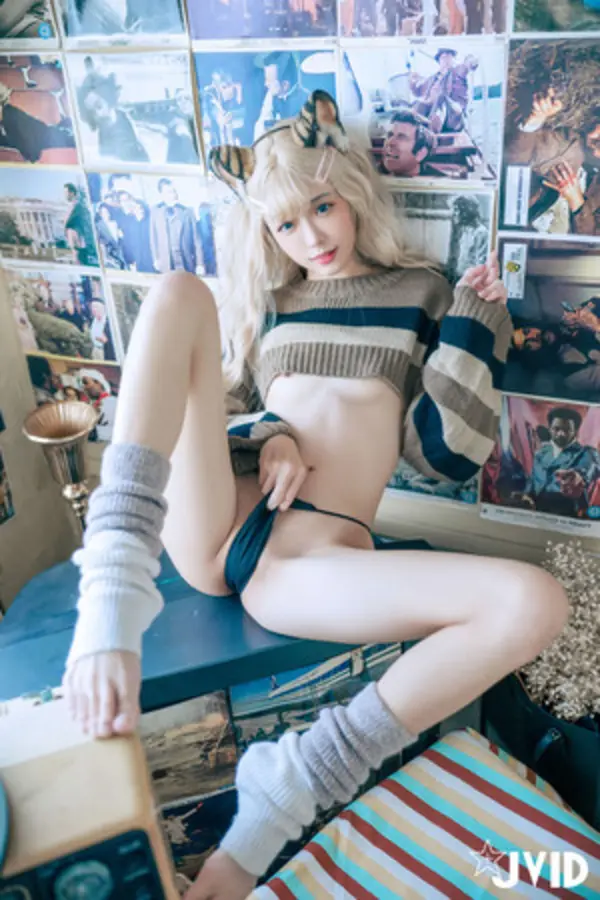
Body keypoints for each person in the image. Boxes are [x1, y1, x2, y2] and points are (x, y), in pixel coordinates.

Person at [62, 91, 568, 900]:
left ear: (352, 192)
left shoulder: (420, 291)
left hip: (308, 558)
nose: (311, 238)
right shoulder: (272, 304)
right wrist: (271, 434)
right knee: (177, 293)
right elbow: (212, 414)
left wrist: (474, 320)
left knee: (535, 603)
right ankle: (111, 591)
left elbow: (444, 454)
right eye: (285, 225)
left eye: (322, 207)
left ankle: (292, 785)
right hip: (220, 521)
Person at [512, 407, 600, 518]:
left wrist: (579, 476)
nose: (561, 433)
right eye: (556, 429)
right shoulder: (540, 454)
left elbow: (590, 467)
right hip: (536, 515)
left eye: (567, 430)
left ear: (575, 431)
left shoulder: (586, 453)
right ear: (550, 429)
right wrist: (525, 496)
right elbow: (532, 484)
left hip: (568, 516)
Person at [410, 48, 478, 134]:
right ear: (439, 61)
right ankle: (413, 130)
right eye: (444, 57)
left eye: (449, 57)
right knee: (419, 103)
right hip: (432, 112)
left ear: (454, 59)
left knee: (441, 97)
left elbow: (467, 65)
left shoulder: (457, 71)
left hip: (454, 114)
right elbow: (418, 92)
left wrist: (471, 61)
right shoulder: (432, 78)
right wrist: (413, 82)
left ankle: (433, 130)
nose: (446, 60)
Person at [150, 178, 201, 275]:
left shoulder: (187, 212)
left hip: (185, 261)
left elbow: (196, 240)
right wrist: (156, 258)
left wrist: (200, 264)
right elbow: (153, 238)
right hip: (166, 262)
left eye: (174, 191)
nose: (173, 195)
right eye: (169, 192)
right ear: (162, 195)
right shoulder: (156, 212)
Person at [380, 108, 437, 177]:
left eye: (401, 137)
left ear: (420, 154)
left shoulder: (439, 181)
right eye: (390, 135)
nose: (390, 142)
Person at [76, 368, 117, 442]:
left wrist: (93, 432)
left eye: (85, 382)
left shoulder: (112, 401)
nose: (84, 388)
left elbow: (116, 431)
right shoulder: (93, 405)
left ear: (98, 383)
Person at [64, 183, 97, 267]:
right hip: (74, 239)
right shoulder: (72, 206)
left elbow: (84, 223)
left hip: (78, 240)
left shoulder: (78, 206)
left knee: (80, 261)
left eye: (66, 193)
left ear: (72, 193)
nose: (64, 195)